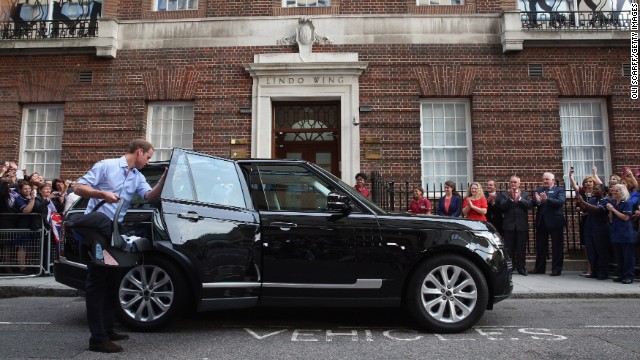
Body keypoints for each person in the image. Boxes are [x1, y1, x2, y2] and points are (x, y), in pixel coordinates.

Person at [74, 139, 166, 353]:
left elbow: (149, 196)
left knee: (113, 279)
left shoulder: (137, 176)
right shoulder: (106, 166)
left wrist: (163, 180)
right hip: (97, 231)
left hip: (114, 231)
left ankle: (107, 328)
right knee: (97, 282)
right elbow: (78, 188)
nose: (148, 161)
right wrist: (102, 194)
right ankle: (97, 339)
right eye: (148, 157)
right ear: (139, 151)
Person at [531, 172, 566, 276]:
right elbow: (534, 202)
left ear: (553, 181)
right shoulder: (539, 190)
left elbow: (560, 202)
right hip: (542, 222)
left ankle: (556, 269)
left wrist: (547, 199)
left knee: (557, 246)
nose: (545, 181)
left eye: (547, 179)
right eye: (544, 179)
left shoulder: (559, 190)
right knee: (541, 246)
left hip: (555, 222)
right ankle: (539, 268)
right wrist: (537, 201)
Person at [569, 166, 602, 277]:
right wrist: (570, 176)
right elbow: (574, 186)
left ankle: (598, 269)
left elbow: (601, 185)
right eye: (586, 182)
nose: (588, 184)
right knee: (587, 246)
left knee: (597, 245)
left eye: (590, 182)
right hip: (586, 220)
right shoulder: (582, 193)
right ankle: (589, 268)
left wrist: (595, 174)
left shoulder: (598, 194)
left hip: (597, 221)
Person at [575, 183, 610, 280]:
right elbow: (585, 210)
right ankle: (594, 271)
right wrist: (581, 203)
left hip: (600, 228)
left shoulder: (606, 200)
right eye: (594, 189)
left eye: (597, 189)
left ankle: (603, 272)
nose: (594, 190)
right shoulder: (592, 200)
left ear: (603, 191)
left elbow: (597, 210)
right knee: (591, 251)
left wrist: (584, 202)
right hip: (590, 227)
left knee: (601, 251)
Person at [499, 176, 531, 276]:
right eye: (511, 182)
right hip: (509, 226)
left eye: (515, 182)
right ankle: (510, 267)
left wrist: (520, 198)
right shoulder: (505, 194)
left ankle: (521, 268)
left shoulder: (524, 194)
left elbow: (529, 206)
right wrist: (511, 198)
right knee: (509, 248)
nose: (513, 184)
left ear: (519, 184)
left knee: (521, 248)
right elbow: (502, 207)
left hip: (521, 226)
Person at [606, 184, 635, 284]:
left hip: (625, 232)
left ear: (622, 192)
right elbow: (611, 218)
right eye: (613, 191)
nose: (614, 193)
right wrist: (610, 211)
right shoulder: (613, 202)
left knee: (627, 256)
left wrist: (613, 209)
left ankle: (629, 275)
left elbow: (625, 217)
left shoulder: (627, 203)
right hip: (616, 231)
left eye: (616, 191)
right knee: (619, 256)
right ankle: (621, 274)